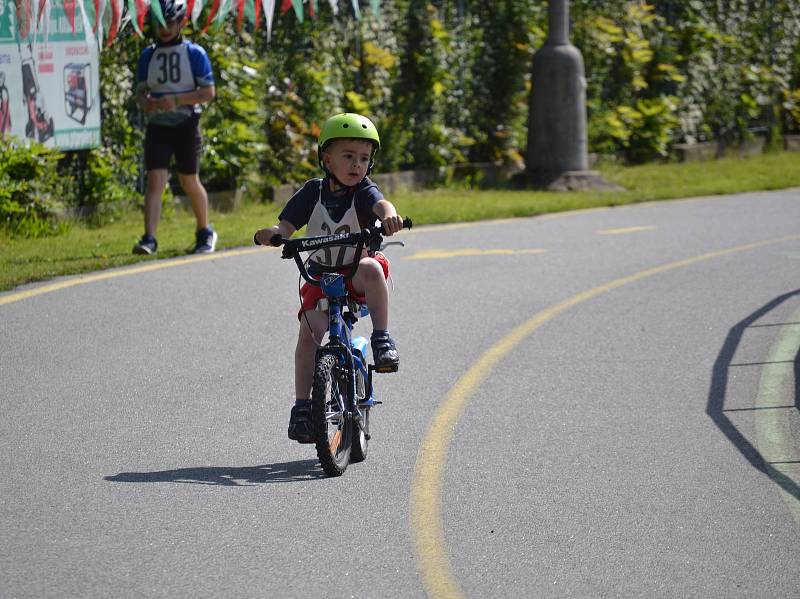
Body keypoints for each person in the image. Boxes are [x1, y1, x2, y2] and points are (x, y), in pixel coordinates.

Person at [254, 113, 404, 443]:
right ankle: (303, 407)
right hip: (319, 277)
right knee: (309, 335)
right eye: (348, 156)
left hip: (355, 275)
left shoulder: (364, 191)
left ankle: (381, 337)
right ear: (326, 158)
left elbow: (382, 204)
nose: (356, 165)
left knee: (374, 268)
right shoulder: (312, 192)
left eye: (364, 158)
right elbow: (286, 226)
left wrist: (390, 217)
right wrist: (274, 234)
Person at [132, 0, 217, 255]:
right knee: (155, 179)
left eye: (170, 22)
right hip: (158, 125)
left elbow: (208, 92)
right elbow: (140, 94)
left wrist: (177, 100)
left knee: (189, 179)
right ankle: (149, 238)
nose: (165, 28)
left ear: (182, 22)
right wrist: (147, 104)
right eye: (159, 23)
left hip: (186, 124)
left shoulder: (194, 54)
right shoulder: (148, 55)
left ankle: (205, 232)